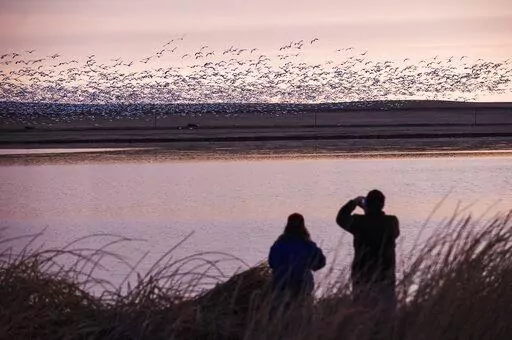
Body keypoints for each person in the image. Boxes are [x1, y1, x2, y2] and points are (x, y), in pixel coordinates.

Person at [336, 190, 400, 309]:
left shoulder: (358, 221)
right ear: (382, 204)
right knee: (387, 316)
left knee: (362, 314)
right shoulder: (391, 222)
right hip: (386, 276)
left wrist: (354, 202)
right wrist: (368, 212)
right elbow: (395, 234)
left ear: (367, 204)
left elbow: (340, 219)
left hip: (362, 277)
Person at [268, 213, 326, 315]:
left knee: (279, 317)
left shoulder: (279, 244)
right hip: (303, 287)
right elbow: (320, 263)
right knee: (301, 317)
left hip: (281, 286)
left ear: (287, 225)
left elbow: (272, 263)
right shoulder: (308, 245)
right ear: (303, 226)